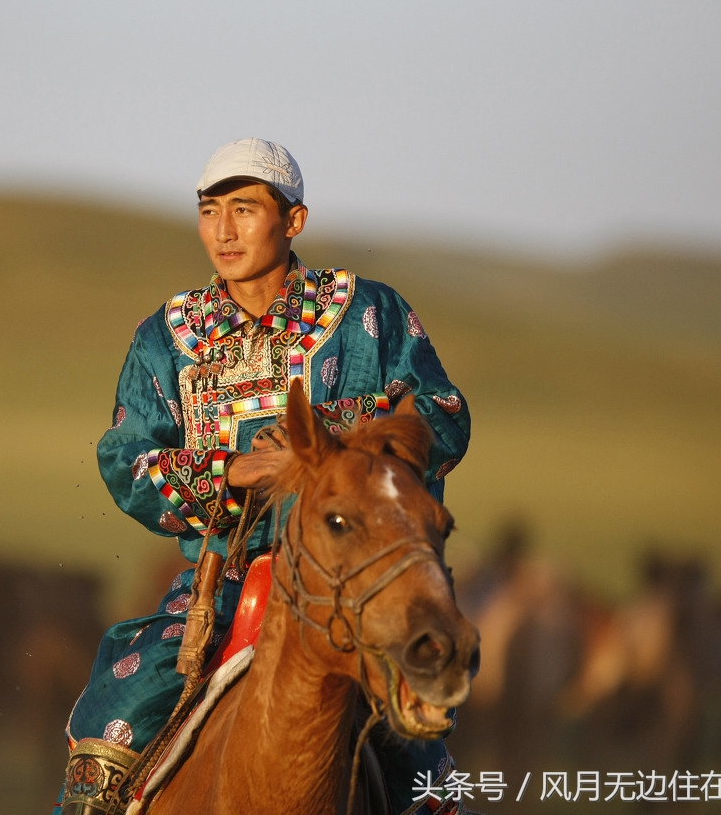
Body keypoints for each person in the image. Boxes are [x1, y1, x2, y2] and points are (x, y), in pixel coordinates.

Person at [55, 138, 471, 814]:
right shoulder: (166, 338)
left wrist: (328, 457)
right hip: (217, 593)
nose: (223, 230)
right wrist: (239, 469)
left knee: (431, 788)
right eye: (210, 210)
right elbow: (128, 461)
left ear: (294, 221)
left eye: (245, 210)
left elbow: (441, 416)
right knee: (112, 721)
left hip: (351, 590)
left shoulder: (369, 314)